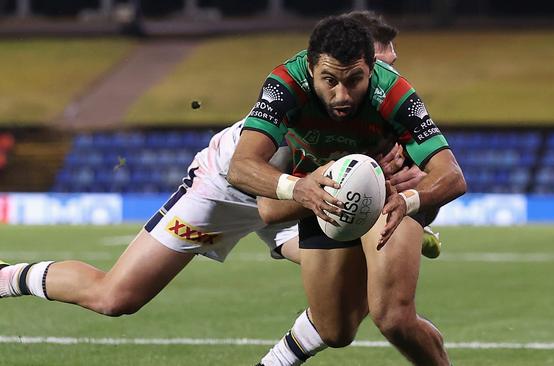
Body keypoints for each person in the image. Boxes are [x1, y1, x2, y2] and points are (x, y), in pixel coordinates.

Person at [0, 12, 436, 319]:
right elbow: (250, 179)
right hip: (231, 189)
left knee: (348, 299)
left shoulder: (379, 106)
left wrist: (402, 203)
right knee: (115, 298)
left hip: (299, 198)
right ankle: (8, 277)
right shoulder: (295, 93)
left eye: (389, 69)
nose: (387, 77)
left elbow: (435, 172)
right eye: (379, 66)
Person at [227, 15, 466, 366]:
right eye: (329, 80)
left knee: (393, 318)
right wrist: (301, 188)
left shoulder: (396, 92)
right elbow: (241, 167)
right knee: (335, 330)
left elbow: (452, 175)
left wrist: (409, 199)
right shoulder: (284, 85)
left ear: (371, 69)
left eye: (355, 80)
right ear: (310, 69)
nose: (342, 95)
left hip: (388, 200)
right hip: (324, 200)